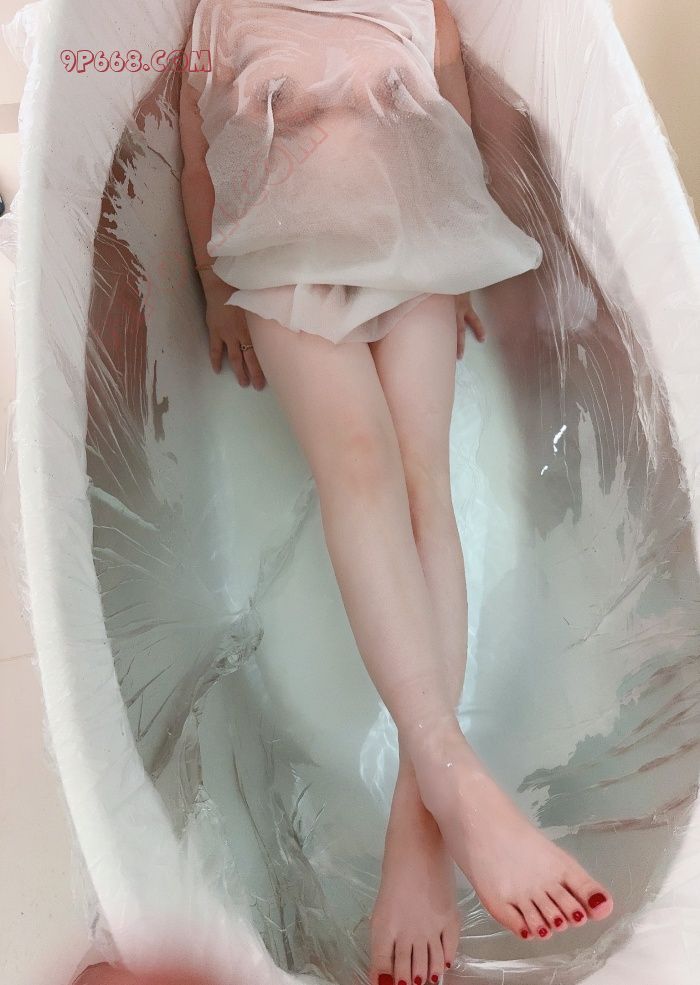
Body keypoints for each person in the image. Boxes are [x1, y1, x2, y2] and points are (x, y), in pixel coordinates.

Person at [178, 2, 614, 983]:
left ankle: (420, 829)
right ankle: (451, 784)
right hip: (287, 254)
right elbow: (199, 154)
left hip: (417, 251)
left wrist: (460, 249)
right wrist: (211, 286)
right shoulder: (221, 10)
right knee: (360, 465)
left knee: (425, 487)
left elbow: (449, 115)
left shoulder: (425, 8)